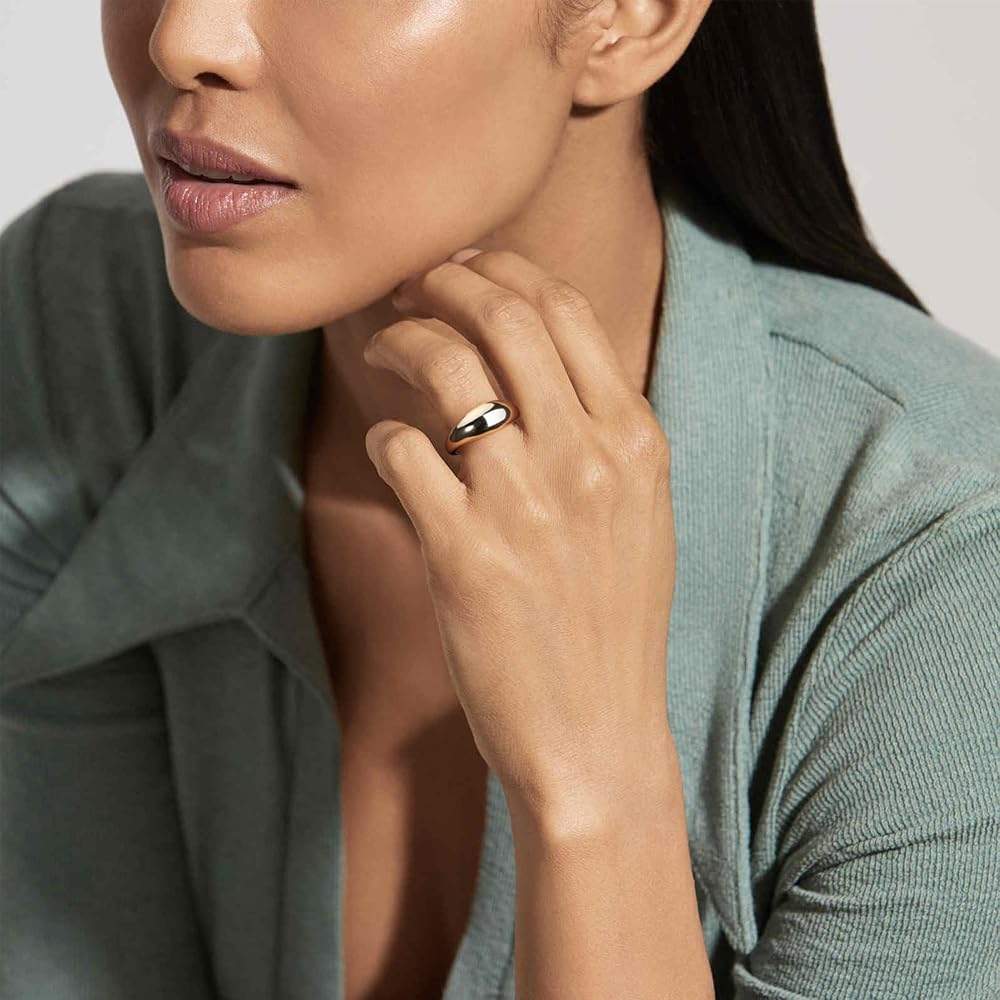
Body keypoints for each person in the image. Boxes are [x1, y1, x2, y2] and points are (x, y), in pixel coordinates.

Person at [2, 1, 998, 998]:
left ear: (633, 16)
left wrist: (594, 793)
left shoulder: (945, 563)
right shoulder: (83, 330)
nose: (184, 38)